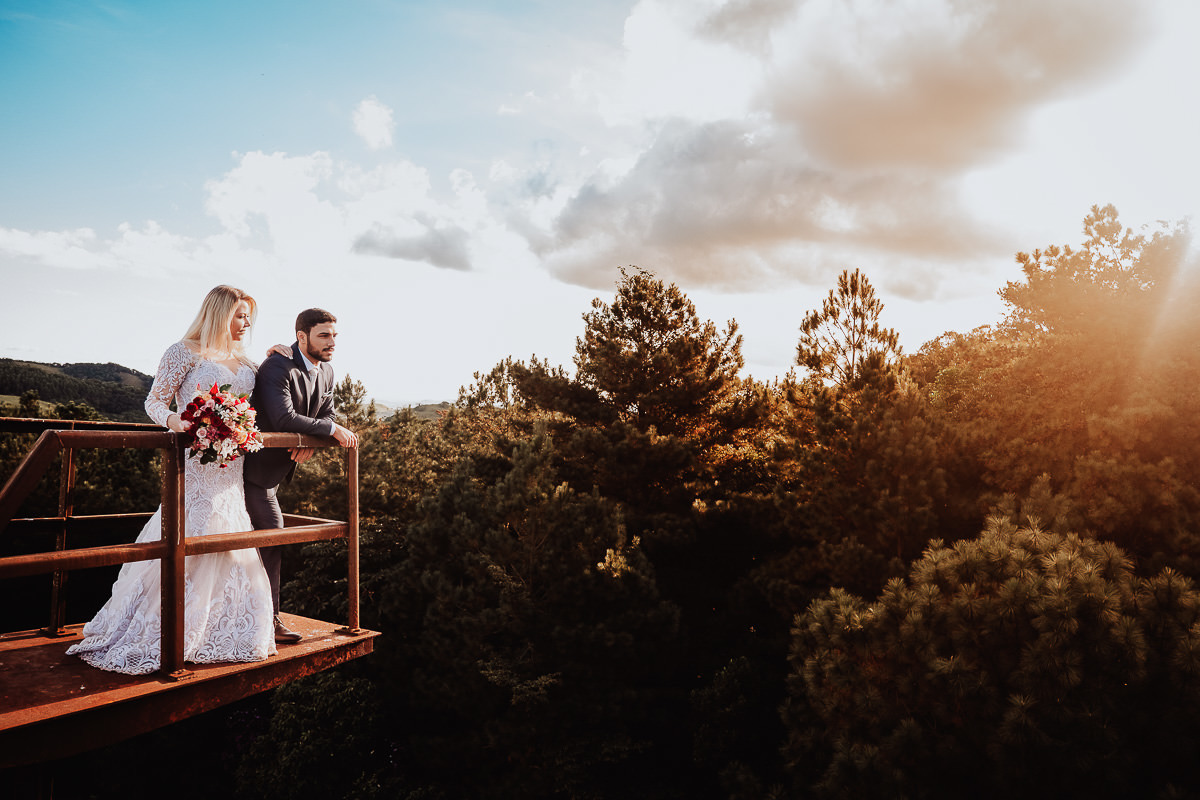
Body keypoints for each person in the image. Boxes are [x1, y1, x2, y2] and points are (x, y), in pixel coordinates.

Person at [67, 285, 276, 674]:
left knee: (230, 538)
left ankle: (220, 628)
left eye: (249, 317)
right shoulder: (183, 351)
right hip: (195, 465)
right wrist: (175, 421)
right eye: (239, 315)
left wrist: (280, 353)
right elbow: (154, 401)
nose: (246, 323)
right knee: (187, 536)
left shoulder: (246, 362)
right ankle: (167, 628)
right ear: (218, 313)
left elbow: (266, 402)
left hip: (231, 468)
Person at [243, 308, 357, 643]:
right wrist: (330, 430)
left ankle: (253, 615)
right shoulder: (278, 365)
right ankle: (270, 620)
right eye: (324, 335)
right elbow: (283, 418)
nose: (332, 342)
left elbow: (326, 414)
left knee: (256, 544)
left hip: (273, 475)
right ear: (301, 336)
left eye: (334, 335)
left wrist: (310, 439)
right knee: (273, 536)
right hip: (251, 472)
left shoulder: (327, 372)